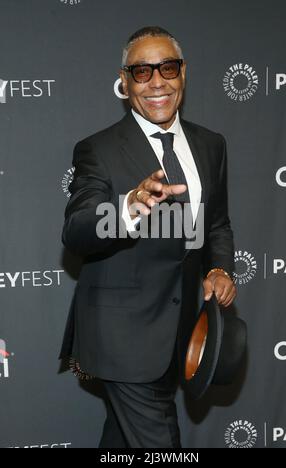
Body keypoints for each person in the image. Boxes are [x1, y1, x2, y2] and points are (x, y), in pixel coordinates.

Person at [60, 26, 237, 448]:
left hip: (178, 331)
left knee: (123, 442)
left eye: (167, 68)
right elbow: (77, 227)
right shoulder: (98, 149)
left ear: (183, 74)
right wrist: (127, 207)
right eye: (142, 72)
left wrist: (219, 267)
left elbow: (217, 224)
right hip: (120, 333)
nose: (157, 82)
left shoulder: (211, 145)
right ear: (124, 81)